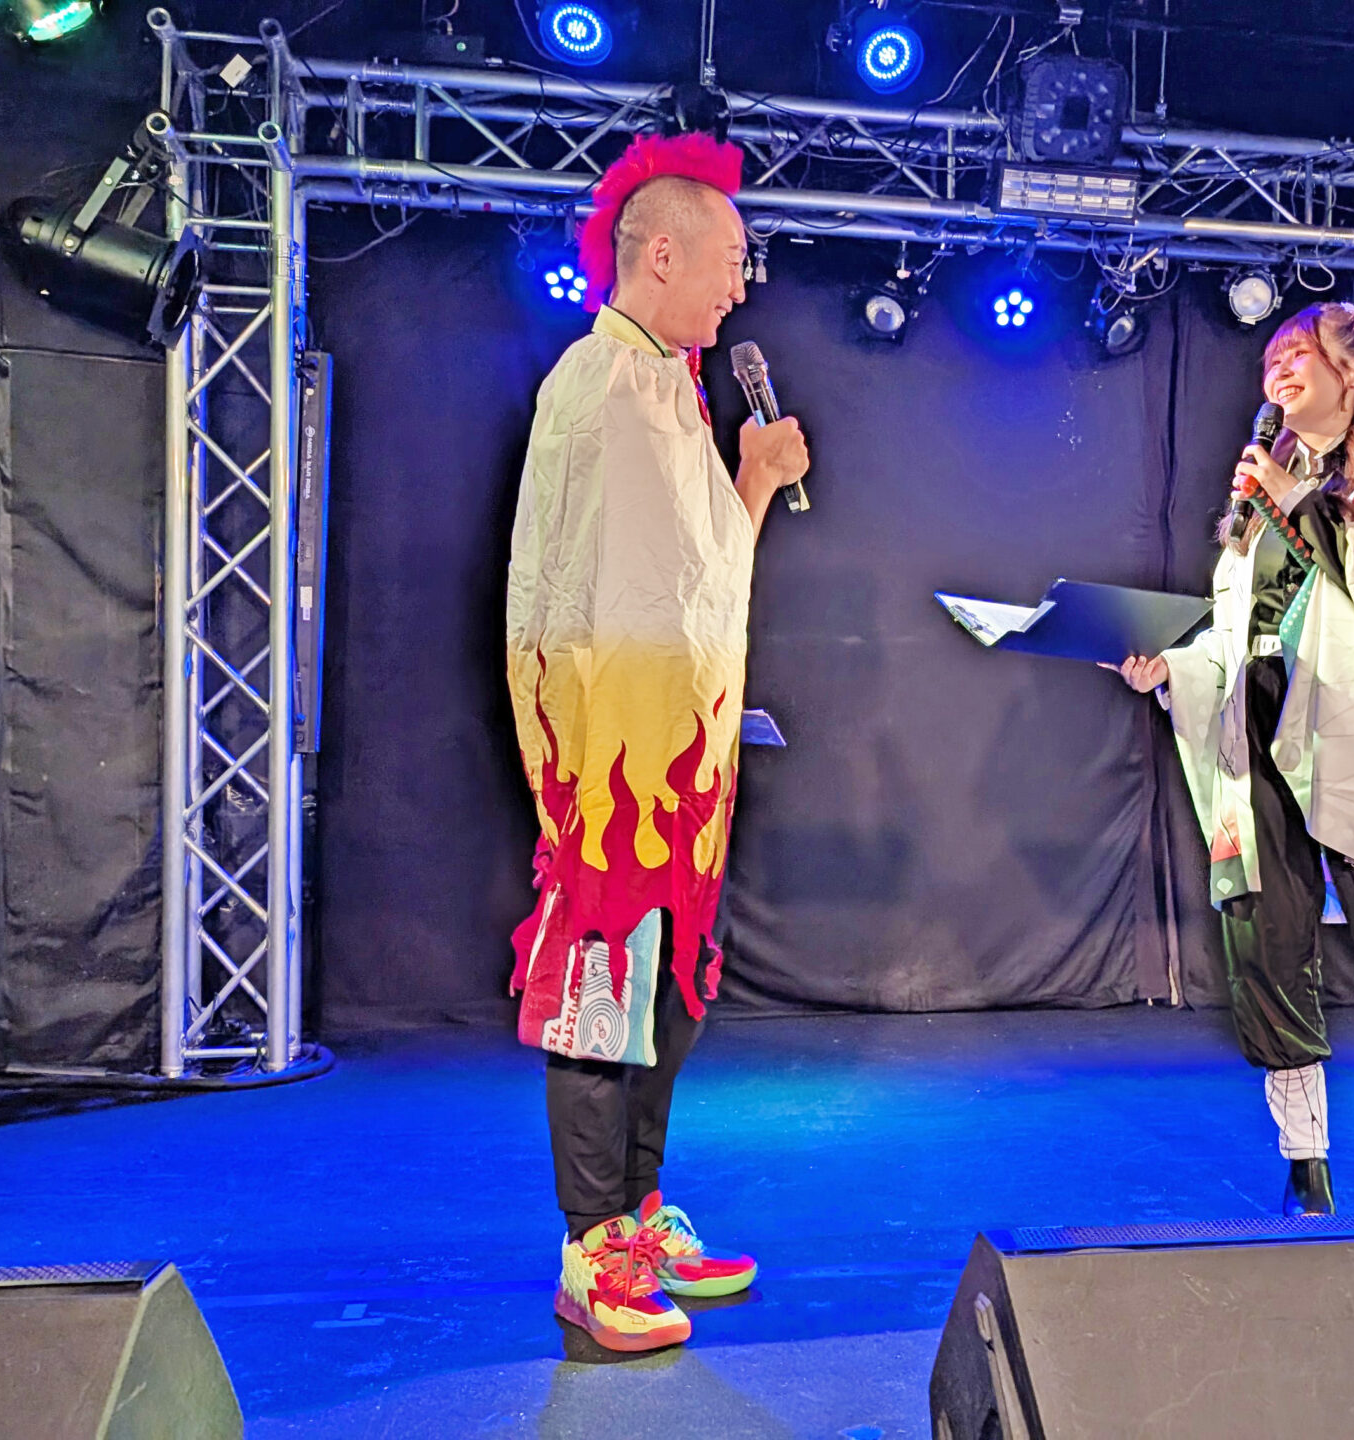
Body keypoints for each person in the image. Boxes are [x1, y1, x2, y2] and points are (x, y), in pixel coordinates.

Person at [505, 131, 809, 1353]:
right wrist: (610, 767)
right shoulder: (602, 383)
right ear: (664, 253)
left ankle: (634, 1215)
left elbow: (700, 585)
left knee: (662, 997)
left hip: (679, 761)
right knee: (600, 997)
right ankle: (592, 1253)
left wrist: (750, 478)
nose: (742, 284)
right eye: (731, 258)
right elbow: (594, 602)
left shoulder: (667, 388)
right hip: (619, 766)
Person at [1113, 302, 1354, 1214]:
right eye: (1272, 359)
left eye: (1300, 354)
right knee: (1268, 945)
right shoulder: (1258, 499)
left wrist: (1296, 501)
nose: (1278, 371)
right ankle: (1306, 1170)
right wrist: (1169, 668)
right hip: (1255, 732)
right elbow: (1236, 636)